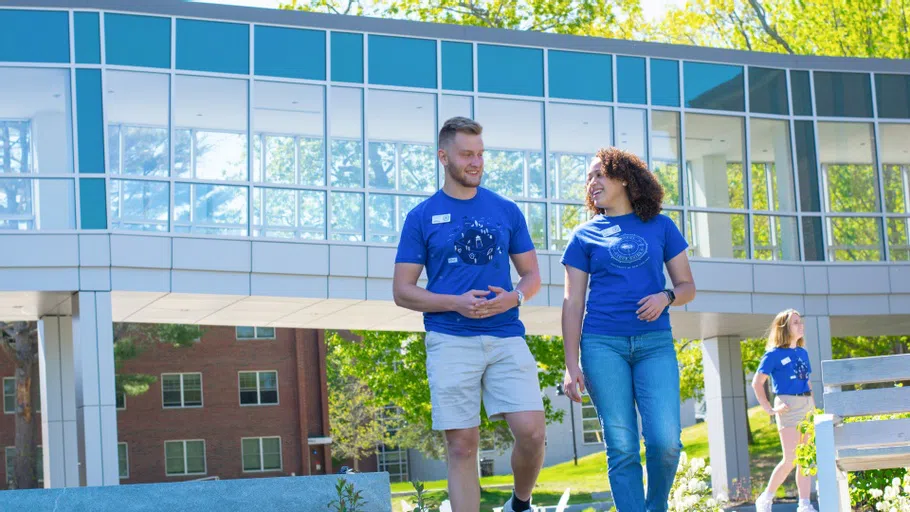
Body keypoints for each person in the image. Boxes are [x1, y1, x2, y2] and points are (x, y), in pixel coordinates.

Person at [393, 116, 546, 512]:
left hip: (506, 335)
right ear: (444, 157)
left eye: (480, 154)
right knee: (462, 446)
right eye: (466, 154)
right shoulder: (421, 217)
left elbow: (531, 276)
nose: (476, 162)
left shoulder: (506, 210)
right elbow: (403, 291)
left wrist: (515, 297)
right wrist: (454, 301)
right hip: (449, 340)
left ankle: (520, 502)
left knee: (531, 432)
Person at [560, 147, 696, 512]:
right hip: (602, 346)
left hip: (654, 344)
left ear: (623, 177)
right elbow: (572, 303)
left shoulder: (661, 226)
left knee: (666, 442)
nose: (592, 183)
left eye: (599, 175)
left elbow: (687, 286)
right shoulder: (584, 236)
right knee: (621, 446)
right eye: (589, 178)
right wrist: (571, 366)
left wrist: (666, 296)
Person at [751, 309, 818, 512]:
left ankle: (804, 505)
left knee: (805, 458)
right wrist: (769, 409)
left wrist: (814, 409)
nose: (801, 325)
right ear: (785, 328)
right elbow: (757, 383)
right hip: (788, 407)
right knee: (790, 458)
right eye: (796, 323)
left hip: (807, 406)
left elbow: (807, 381)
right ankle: (766, 498)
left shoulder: (802, 352)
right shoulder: (773, 354)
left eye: (801, 322)